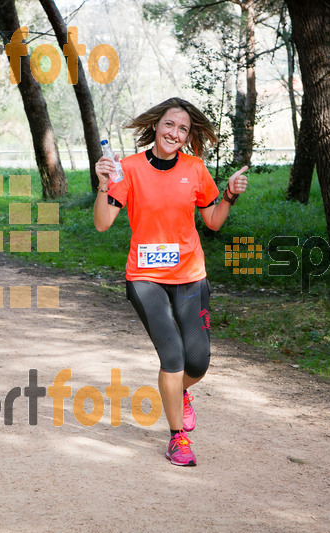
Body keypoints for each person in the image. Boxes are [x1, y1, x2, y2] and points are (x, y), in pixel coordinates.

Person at [93, 97, 248, 466]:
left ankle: (179, 392)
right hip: (145, 277)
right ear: (156, 126)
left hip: (191, 276)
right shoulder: (127, 169)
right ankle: (178, 438)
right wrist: (103, 184)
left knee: (198, 362)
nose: (174, 133)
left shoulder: (195, 168)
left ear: (188, 136)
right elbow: (102, 223)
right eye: (169, 125)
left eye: (182, 129)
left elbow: (212, 221)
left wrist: (227, 195)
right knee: (173, 357)